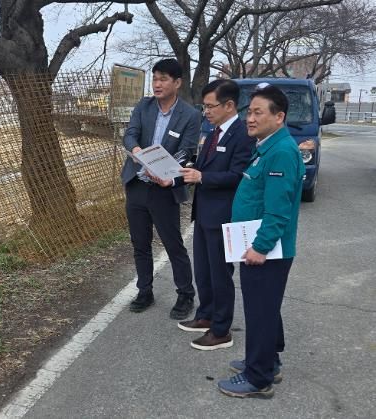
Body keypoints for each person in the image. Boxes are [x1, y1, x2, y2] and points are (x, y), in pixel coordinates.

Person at [217, 83, 305, 398]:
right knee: (265, 308)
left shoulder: (280, 152)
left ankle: (258, 378)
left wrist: (260, 247)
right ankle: (269, 361)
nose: (250, 118)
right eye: (249, 112)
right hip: (258, 245)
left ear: (279, 116)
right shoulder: (268, 146)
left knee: (260, 311)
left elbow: (278, 211)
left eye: (258, 112)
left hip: (266, 250)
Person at [176, 79, 255, 350]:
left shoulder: (242, 135)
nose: (206, 111)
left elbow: (238, 176)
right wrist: (182, 172)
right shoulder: (213, 132)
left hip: (223, 215)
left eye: (211, 106)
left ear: (229, 105)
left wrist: (202, 177)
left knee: (220, 274)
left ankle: (221, 330)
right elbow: (203, 166)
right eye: (204, 106)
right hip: (204, 212)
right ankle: (206, 315)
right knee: (204, 271)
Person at [121, 58, 200, 320]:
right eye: (155, 78)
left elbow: (186, 150)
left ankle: (185, 294)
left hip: (164, 189)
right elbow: (130, 134)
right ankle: (144, 291)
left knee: (172, 244)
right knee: (140, 243)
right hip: (137, 184)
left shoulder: (190, 115)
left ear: (177, 83)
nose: (157, 84)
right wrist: (137, 151)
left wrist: (165, 172)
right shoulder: (143, 106)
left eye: (163, 79)